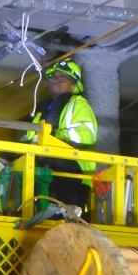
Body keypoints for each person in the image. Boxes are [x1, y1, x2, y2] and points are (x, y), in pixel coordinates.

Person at [25, 58, 98, 214]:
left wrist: (54, 135)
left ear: (73, 83)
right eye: (54, 77)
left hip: (74, 172)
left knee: (66, 221)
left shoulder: (78, 104)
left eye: (62, 78)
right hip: (46, 170)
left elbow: (85, 137)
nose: (56, 81)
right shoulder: (44, 109)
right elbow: (31, 137)